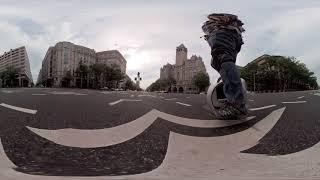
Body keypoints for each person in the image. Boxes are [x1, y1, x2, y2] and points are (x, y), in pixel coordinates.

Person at [202, 13, 248, 119]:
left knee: (222, 58)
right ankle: (235, 99)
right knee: (217, 62)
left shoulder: (217, 26)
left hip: (224, 32)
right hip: (232, 36)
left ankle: (236, 104)